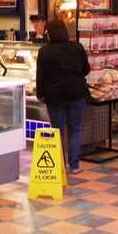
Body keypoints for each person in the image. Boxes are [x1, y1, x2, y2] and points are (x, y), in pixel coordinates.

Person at [35, 19, 90, 175]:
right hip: (76, 93)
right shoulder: (77, 47)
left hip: (55, 96)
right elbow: (86, 70)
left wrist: (40, 94)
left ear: (49, 33)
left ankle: (59, 165)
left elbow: (41, 76)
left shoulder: (45, 51)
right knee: (74, 129)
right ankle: (75, 166)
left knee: (57, 130)